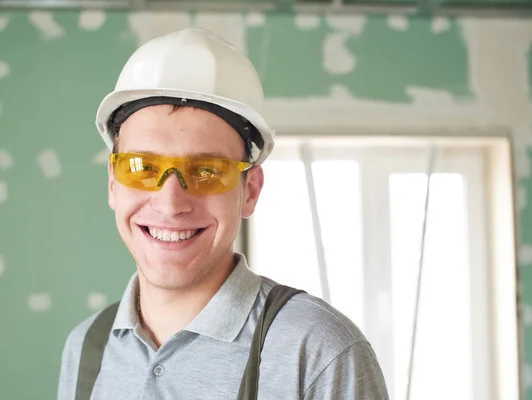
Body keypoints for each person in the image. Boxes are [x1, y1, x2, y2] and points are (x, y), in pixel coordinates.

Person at [57, 27, 389, 399]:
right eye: (141, 167)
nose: (170, 203)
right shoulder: (88, 347)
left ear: (250, 190)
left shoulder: (317, 351)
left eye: (207, 171)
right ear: (113, 184)